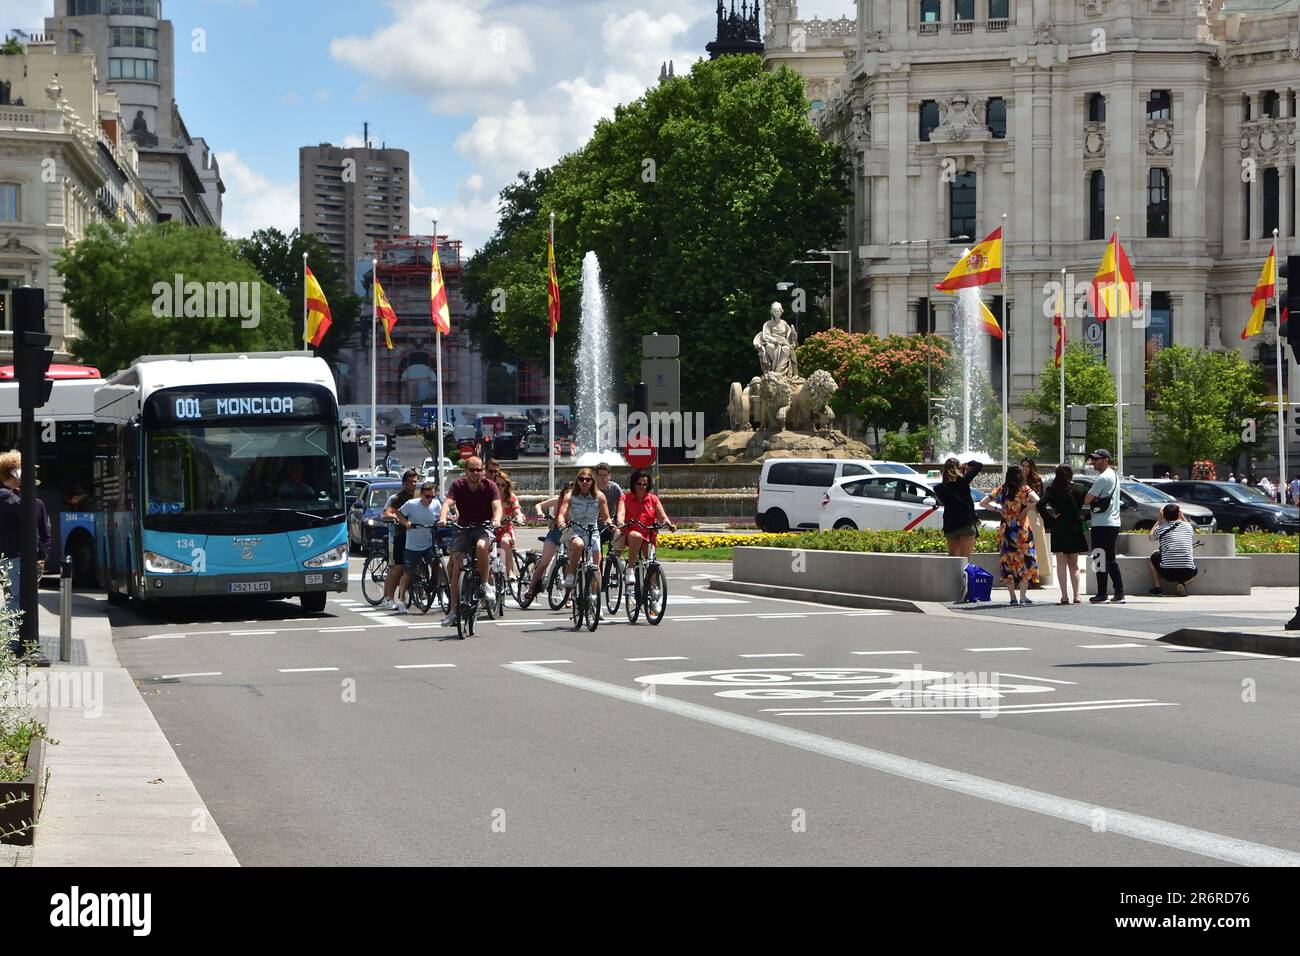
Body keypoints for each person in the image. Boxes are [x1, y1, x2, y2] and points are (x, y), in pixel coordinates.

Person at [439, 456, 502, 628]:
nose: (475, 473)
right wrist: (443, 518)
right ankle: (453, 611)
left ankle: (484, 584)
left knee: (482, 546)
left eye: (478, 469)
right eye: (471, 470)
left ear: (483, 470)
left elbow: (497, 507)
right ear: (466, 471)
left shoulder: (490, 486)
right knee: (456, 567)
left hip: (484, 527)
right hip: (463, 528)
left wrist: (496, 520)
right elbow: (447, 503)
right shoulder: (458, 485)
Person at [979, 466, 1039, 606]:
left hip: (1006, 530)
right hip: (1021, 530)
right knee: (1025, 561)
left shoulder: (1001, 490)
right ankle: (1023, 597)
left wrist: (998, 510)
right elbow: (1038, 500)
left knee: (1008, 562)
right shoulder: (1025, 489)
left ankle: (1012, 597)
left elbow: (983, 503)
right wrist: (1025, 510)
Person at [1039, 465, 1087, 605]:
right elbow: (1095, 499)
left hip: (1059, 526)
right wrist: (1086, 516)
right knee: (1074, 564)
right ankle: (1077, 595)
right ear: (1071, 475)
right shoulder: (1080, 488)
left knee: (1061, 563)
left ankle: (1064, 596)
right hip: (1075, 527)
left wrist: (1051, 520)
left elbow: (1040, 505)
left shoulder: (1052, 489)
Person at [557, 467, 610, 593]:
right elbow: (561, 514)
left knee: (596, 564)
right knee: (578, 544)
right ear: (577, 481)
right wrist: (561, 523)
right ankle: (571, 573)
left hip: (593, 531)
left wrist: (609, 524)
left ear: (592, 481)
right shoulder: (570, 496)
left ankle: (595, 597)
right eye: (581, 479)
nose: (585, 482)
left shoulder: (599, 496)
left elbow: (606, 516)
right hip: (575, 530)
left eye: (588, 479)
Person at [617, 470, 675, 582]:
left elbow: (662, 517)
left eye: (645, 484)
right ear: (633, 484)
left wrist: (669, 524)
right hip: (631, 535)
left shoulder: (653, 499)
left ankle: (653, 587)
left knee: (651, 561)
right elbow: (621, 513)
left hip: (648, 536)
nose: (642, 486)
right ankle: (630, 569)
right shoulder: (625, 498)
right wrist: (620, 523)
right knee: (636, 536)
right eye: (639, 484)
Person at [1083, 448, 1125, 604]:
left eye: (1097, 459)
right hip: (1113, 523)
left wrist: (1092, 499)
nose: (1094, 461)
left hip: (1102, 524)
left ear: (1106, 460)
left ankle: (1102, 594)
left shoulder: (1102, 478)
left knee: (1099, 557)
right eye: (1093, 459)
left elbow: (1087, 499)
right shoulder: (1113, 475)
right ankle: (1119, 593)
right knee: (1110, 558)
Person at [522, 482, 572, 606]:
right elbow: (539, 505)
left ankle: (569, 595)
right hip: (555, 532)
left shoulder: (577, 502)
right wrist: (540, 513)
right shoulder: (557, 500)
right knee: (544, 562)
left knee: (569, 563)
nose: (569, 496)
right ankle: (531, 588)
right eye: (567, 492)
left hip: (570, 533)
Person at [396, 481, 442, 612]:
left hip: (428, 543)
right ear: (421, 494)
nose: (430, 500)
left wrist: (443, 521)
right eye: (427, 496)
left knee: (438, 565)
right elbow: (398, 514)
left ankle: (438, 590)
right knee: (408, 573)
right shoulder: (411, 505)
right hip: (412, 546)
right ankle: (401, 600)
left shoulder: (436, 505)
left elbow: (440, 517)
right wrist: (406, 523)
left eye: (432, 497)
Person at [380, 469, 420, 612]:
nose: (413, 484)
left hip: (417, 536)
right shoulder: (397, 498)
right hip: (398, 536)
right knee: (397, 567)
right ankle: (388, 597)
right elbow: (385, 515)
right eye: (410, 482)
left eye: (415, 481)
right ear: (404, 483)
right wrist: (397, 518)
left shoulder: (419, 496)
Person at [934, 458, 983, 558]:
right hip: (966, 524)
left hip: (950, 525)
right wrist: (967, 464)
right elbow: (978, 465)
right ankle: (962, 574)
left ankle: (951, 574)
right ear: (958, 468)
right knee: (964, 560)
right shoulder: (963, 482)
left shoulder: (938, 489)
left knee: (953, 558)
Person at [1148, 503, 1197, 596]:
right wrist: (1181, 515)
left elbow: (1150, 537)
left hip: (1167, 573)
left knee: (1154, 555)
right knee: (1194, 570)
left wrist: (1158, 520)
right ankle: (1181, 583)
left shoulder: (1161, 528)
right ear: (1179, 514)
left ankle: (1158, 587)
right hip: (1188, 573)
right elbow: (1186, 524)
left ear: (1163, 515)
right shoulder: (1188, 527)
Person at [1020, 457, 1051, 588]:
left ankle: (1034, 577)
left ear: (1031, 467)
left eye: (1027, 466)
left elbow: (1040, 499)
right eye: (1022, 466)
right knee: (1021, 546)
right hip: (1020, 514)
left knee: (1035, 546)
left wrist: (1028, 507)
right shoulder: (1017, 479)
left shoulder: (1036, 480)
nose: (1024, 469)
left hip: (1033, 514)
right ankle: (1022, 577)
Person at [494, 472, 526, 585]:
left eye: (503, 485)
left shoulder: (511, 498)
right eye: (497, 484)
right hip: (490, 530)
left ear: (507, 486)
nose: (499, 488)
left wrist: (519, 516)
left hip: (505, 529)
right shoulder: (489, 497)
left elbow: (517, 510)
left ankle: (510, 571)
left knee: (505, 542)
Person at [594, 462, 623, 557]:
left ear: (610, 476)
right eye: (600, 475)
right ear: (596, 476)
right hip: (595, 526)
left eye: (605, 475)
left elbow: (622, 504)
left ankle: (617, 561)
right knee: (598, 555)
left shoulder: (615, 488)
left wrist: (620, 521)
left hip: (609, 524)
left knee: (619, 537)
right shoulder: (591, 489)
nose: (603, 478)